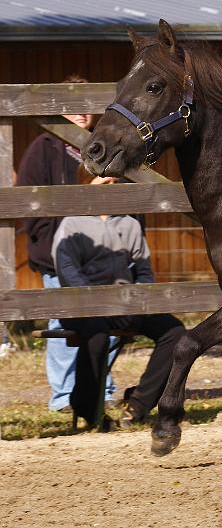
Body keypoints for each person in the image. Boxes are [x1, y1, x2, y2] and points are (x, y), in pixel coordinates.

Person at [15, 74, 119, 412]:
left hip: (103, 256)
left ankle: (98, 389)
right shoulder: (43, 148)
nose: (79, 115)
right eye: (72, 108)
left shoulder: (104, 147)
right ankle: (63, 397)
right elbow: (29, 206)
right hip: (57, 255)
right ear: (60, 110)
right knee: (62, 323)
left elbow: (131, 201)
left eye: (86, 108)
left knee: (115, 322)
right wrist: (51, 248)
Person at [52, 208, 186, 427]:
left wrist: (132, 304)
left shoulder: (130, 224)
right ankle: (88, 410)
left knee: (175, 333)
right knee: (97, 335)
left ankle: (139, 405)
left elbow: (144, 271)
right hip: (82, 304)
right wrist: (101, 305)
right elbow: (67, 271)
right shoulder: (72, 222)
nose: (108, 179)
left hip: (126, 303)